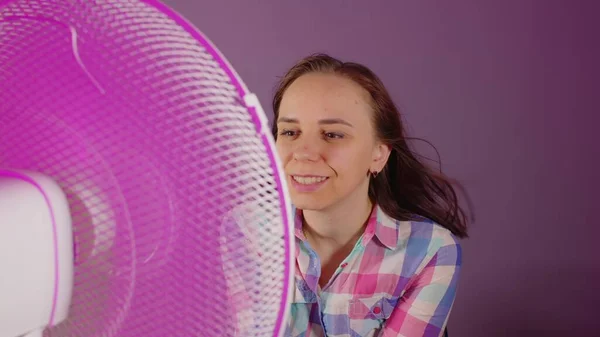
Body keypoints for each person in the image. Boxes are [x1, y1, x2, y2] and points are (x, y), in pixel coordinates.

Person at [272, 53, 470, 337]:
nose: (303, 153)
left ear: (378, 154)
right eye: (290, 132)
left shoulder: (430, 251)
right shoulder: (246, 235)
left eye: (332, 135)